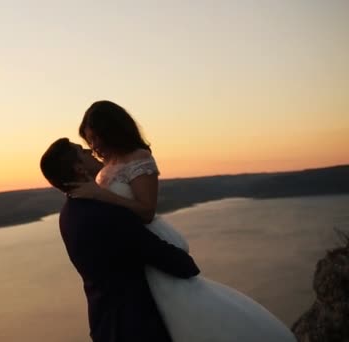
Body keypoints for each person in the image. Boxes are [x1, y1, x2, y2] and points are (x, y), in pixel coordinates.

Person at [66, 100, 297, 342]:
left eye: (95, 138)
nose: (93, 146)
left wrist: (101, 195)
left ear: (111, 129)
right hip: (132, 255)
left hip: (148, 244)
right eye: (88, 141)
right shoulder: (106, 167)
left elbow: (146, 211)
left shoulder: (139, 158)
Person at [40, 137, 201, 341]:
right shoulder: (107, 212)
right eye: (82, 151)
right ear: (79, 168)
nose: (90, 151)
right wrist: (188, 265)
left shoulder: (68, 214)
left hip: (104, 324)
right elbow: (160, 255)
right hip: (135, 327)